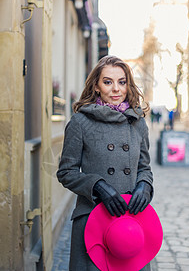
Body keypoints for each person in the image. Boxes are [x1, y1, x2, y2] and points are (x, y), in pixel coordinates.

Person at [57, 55, 154, 271]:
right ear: (97, 86)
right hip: (94, 220)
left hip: (130, 222)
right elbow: (66, 172)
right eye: (108, 82)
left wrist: (144, 187)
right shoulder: (81, 122)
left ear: (128, 85)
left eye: (122, 82)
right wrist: (99, 187)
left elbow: (144, 168)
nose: (116, 89)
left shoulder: (137, 122)